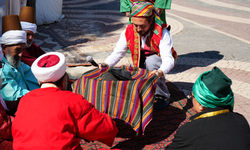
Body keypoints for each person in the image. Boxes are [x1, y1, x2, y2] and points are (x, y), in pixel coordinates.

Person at [12, 52, 118, 149]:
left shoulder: (25, 100)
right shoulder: (72, 100)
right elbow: (105, 128)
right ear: (65, 79)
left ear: (39, 80)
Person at [100, 1, 175, 109]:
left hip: (157, 63)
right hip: (140, 63)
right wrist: (106, 63)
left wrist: (160, 71)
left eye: (142, 26)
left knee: (151, 61)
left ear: (151, 21)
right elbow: (118, 53)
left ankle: (162, 96)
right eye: (136, 25)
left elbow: (168, 59)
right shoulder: (129, 30)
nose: (138, 29)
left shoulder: (162, 32)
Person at [165, 66, 250, 150]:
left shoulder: (191, 130)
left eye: (192, 95)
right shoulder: (241, 120)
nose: (191, 98)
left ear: (201, 105)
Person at [0, 15, 40, 115]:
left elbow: (34, 75)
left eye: (22, 50)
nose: (21, 54)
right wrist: (41, 96)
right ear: (4, 48)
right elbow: (15, 95)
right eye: (17, 50)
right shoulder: (2, 70)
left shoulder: (17, 63)